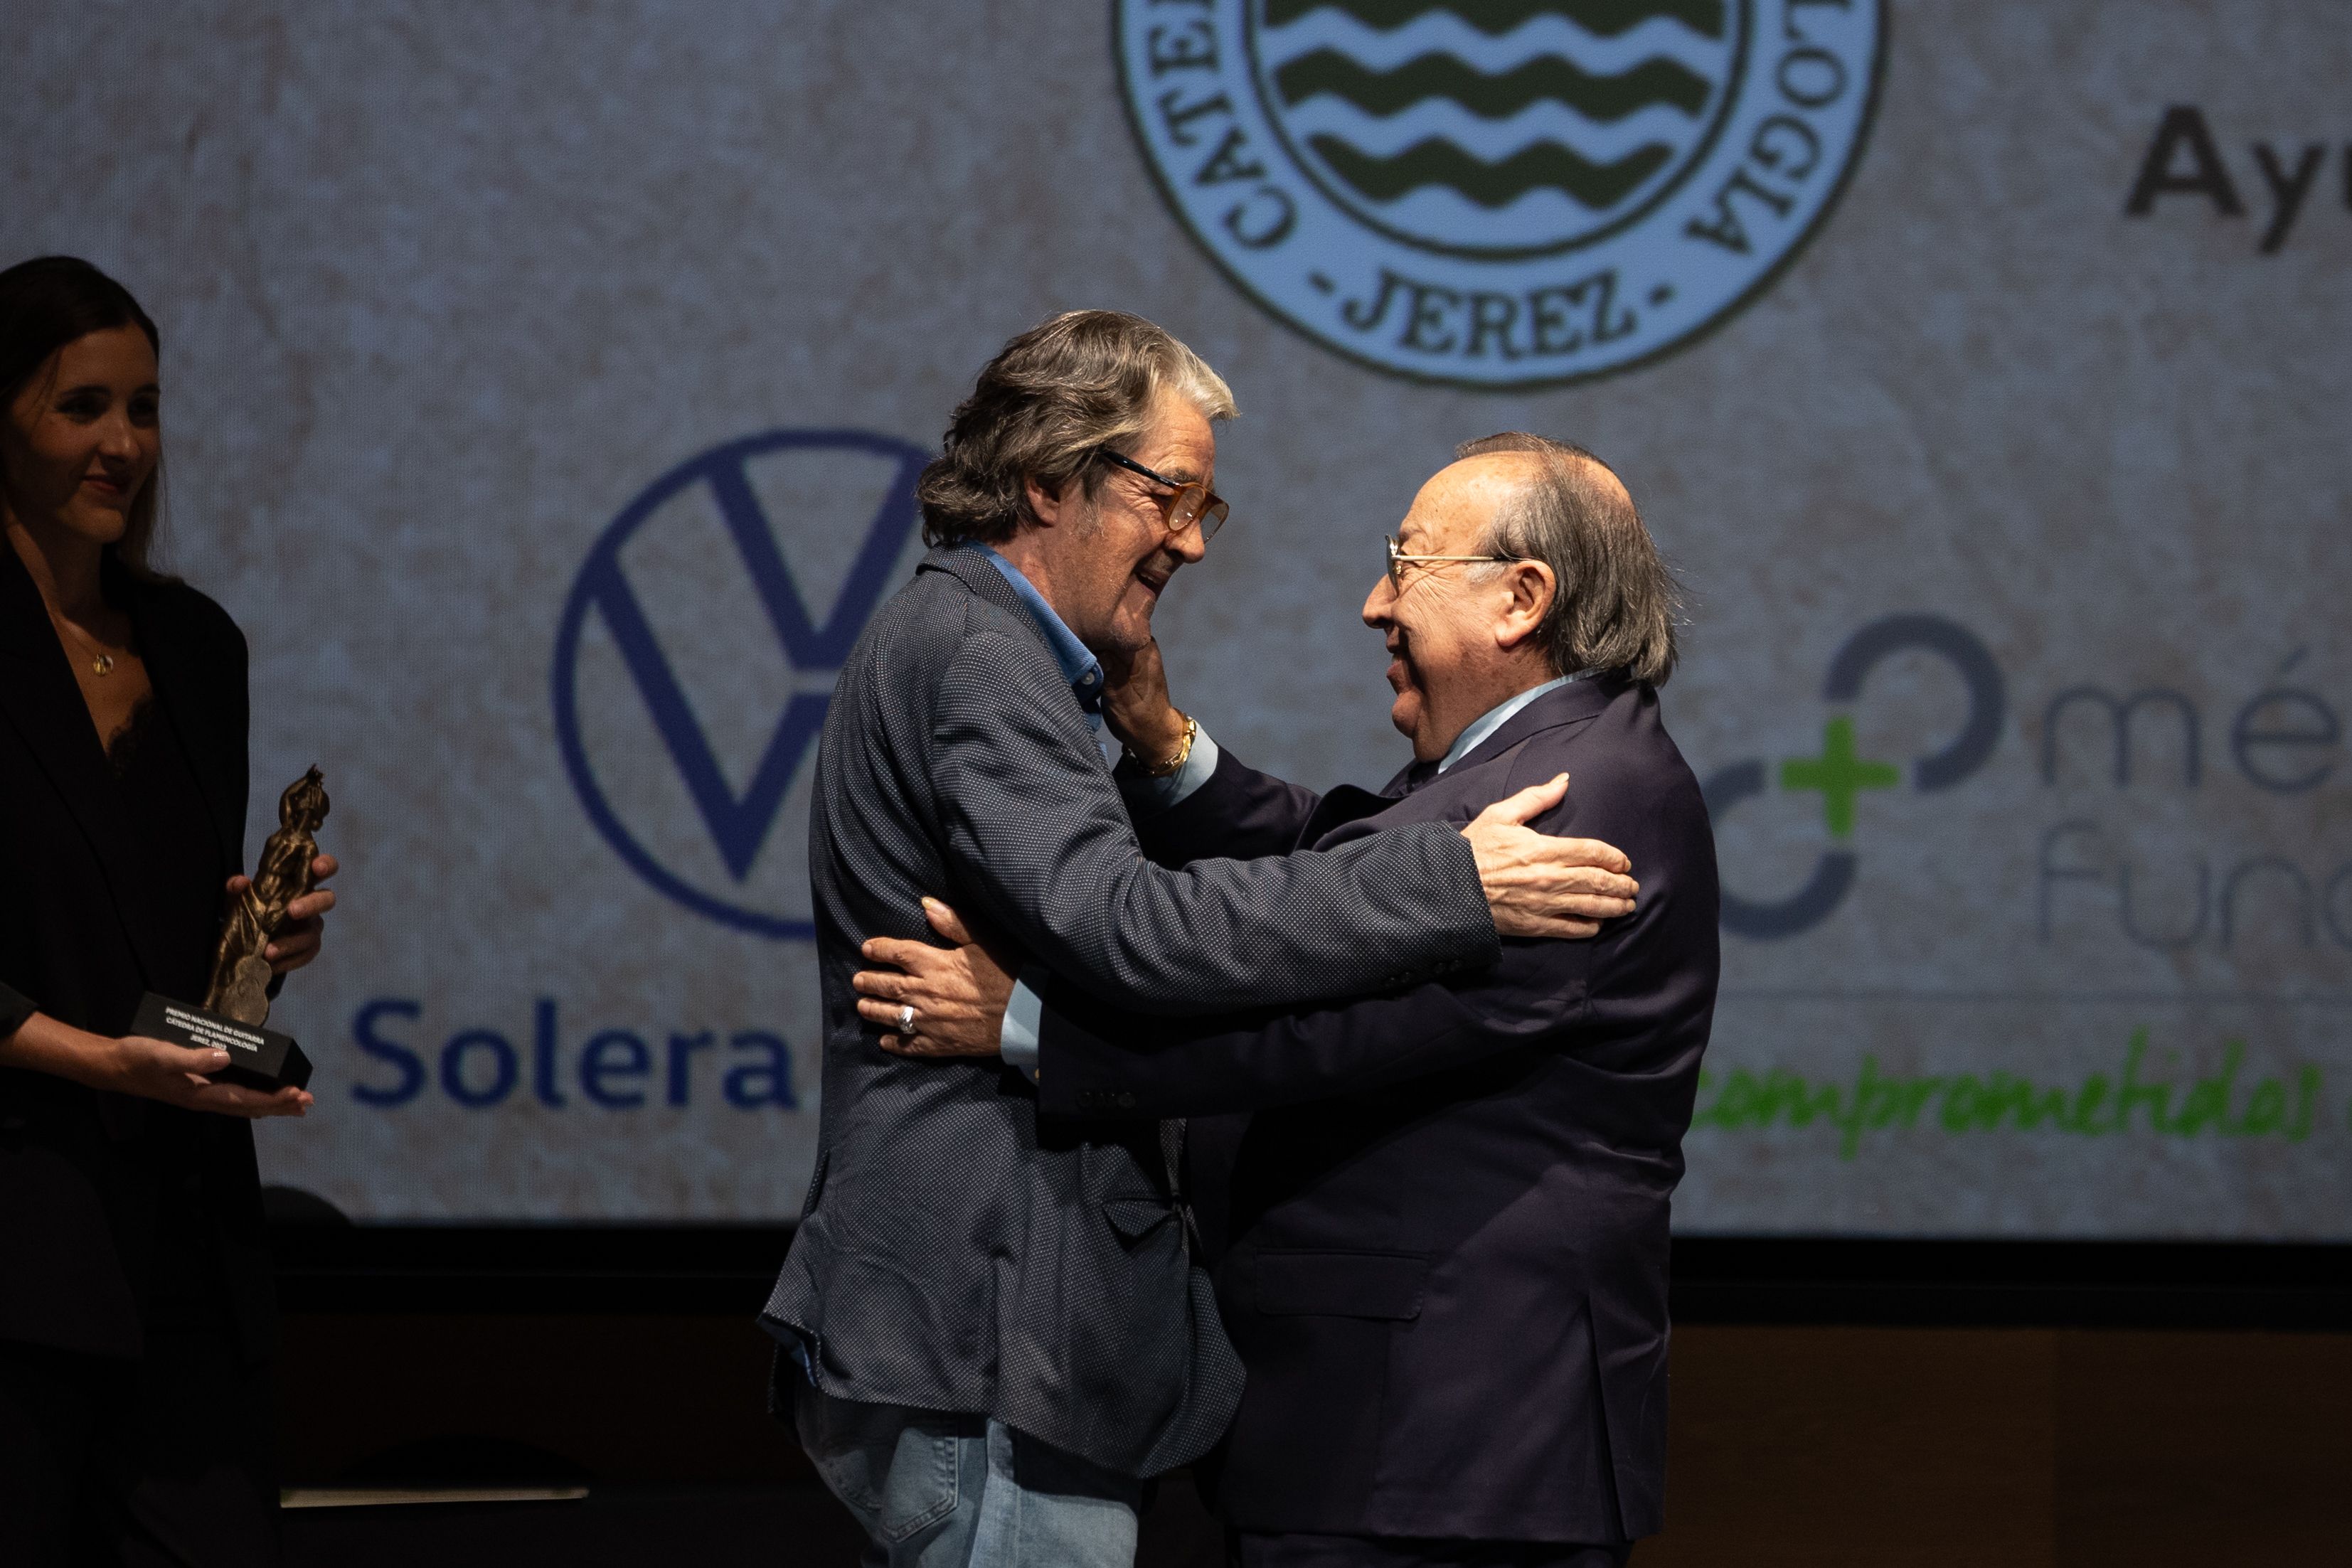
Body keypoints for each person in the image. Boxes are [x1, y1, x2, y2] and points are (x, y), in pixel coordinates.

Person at [760, 314, 1641, 1567]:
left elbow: (1280, 867)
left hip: (1012, 1331)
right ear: (1047, 478)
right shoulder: (979, 650)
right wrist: (1452, 882)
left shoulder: (998, 649)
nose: (1186, 539)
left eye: (1200, 508)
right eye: (1167, 495)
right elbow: (1124, 923)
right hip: (991, 1322)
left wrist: (1169, 757)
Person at [0, 257, 338, 1565]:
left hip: (186, 1250)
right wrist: (103, 1061)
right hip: (20, 1245)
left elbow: (172, 947)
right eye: (80, 406)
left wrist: (263, 950)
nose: (123, 443)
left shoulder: (197, 645)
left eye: (143, 407)